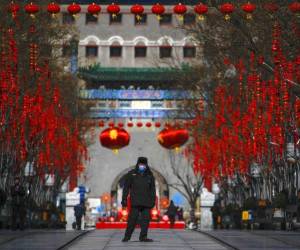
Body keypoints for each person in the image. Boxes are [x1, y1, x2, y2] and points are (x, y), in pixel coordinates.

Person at [121, 157, 156, 242]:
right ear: (138, 164)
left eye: (144, 164)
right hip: (135, 202)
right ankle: (127, 236)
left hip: (146, 202)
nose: (142, 166)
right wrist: (124, 199)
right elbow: (126, 188)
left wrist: (153, 201)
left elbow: (153, 189)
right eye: (141, 164)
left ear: (146, 165)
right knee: (132, 220)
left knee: (146, 220)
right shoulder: (132, 174)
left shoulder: (150, 175)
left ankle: (143, 237)